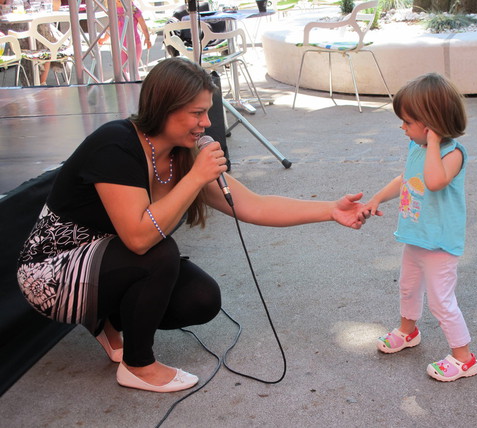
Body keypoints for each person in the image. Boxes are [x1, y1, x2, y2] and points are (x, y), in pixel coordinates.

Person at [16, 57, 369, 393]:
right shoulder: (116, 145)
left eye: (207, 112)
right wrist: (197, 177)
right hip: (51, 275)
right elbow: (139, 238)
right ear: (163, 108)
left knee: (201, 299)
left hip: (104, 265)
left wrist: (330, 210)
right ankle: (138, 366)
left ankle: (105, 319)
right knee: (158, 251)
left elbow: (256, 206)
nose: (207, 123)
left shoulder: (182, 156)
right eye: (197, 113)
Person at [362, 73, 477, 382]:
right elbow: (406, 179)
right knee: (408, 286)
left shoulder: (451, 153)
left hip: (439, 244)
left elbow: (435, 181)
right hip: (416, 236)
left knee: (442, 301)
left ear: (431, 125)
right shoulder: (417, 149)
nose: (402, 127)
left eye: (408, 122)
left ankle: (464, 358)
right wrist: (378, 197)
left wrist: (434, 143)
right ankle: (407, 330)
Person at [99, 0, 152, 77]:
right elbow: (111, 28)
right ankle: (125, 86)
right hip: (120, 45)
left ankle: (135, 86)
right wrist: (104, 39)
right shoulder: (114, 11)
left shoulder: (133, 9)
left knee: (133, 68)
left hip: (134, 43)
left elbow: (143, 25)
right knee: (122, 69)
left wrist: (147, 39)